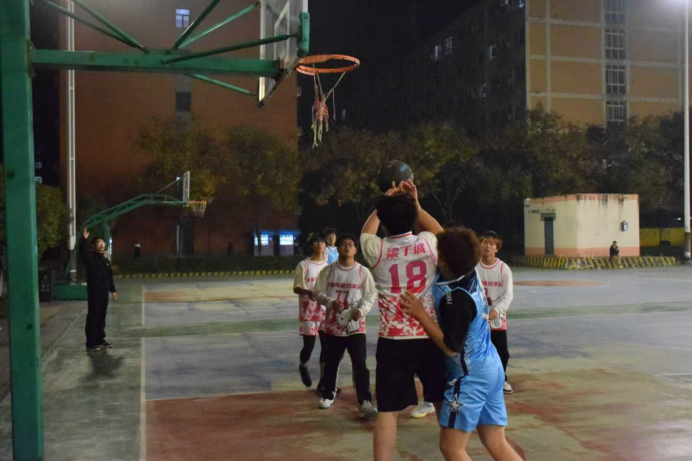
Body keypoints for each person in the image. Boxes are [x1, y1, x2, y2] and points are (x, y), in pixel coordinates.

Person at [400, 227, 522, 462]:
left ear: (443, 260)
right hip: (491, 369)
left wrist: (420, 313)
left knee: (452, 448)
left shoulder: (456, 299)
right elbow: (441, 232)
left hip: (470, 378)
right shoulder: (469, 270)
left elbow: (451, 347)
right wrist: (418, 209)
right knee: (496, 442)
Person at [360, 180, 447, 462]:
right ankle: (455, 453)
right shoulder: (428, 243)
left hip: (394, 341)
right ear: (413, 217)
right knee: (440, 402)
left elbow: (366, 232)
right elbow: (440, 231)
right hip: (430, 336)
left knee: (387, 412)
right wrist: (416, 204)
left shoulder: (377, 250)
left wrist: (383, 202)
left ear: (384, 222)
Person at [314, 233, 378, 419]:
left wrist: (362, 310)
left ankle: (364, 401)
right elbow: (317, 292)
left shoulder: (362, 272)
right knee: (331, 363)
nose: (347, 247)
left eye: (351, 244)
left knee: (360, 365)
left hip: (355, 328)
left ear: (356, 249)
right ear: (338, 248)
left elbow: (370, 295)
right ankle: (328, 394)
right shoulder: (328, 271)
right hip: (332, 327)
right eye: (343, 244)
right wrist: (330, 302)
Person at [477, 231, 515, 395]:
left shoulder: (503, 268)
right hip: (477, 317)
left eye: (492, 244)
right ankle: (480, 379)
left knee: (501, 352)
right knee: (477, 350)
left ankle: (501, 379)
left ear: (497, 248)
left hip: (497, 317)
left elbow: (508, 295)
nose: (488, 246)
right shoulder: (474, 267)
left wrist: (497, 310)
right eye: (485, 242)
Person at [293, 233, 329, 390]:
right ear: (311, 245)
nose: (319, 244)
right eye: (316, 242)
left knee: (327, 346)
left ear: (325, 245)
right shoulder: (303, 265)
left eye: (322, 242)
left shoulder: (328, 266)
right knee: (309, 346)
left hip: (325, 311)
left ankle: (324, 380)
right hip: (308, 311)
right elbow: (296, 288)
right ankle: (303, 365)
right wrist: (309, 292)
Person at [80, 228, 117, 353]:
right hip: (94, 293)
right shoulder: (91, 259)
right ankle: (90, 343)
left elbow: (109, 276)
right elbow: (83, 252)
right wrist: (84, 239)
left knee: (101, 317)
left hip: (104, 293)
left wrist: (113, 289)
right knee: (93, 317)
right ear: (93, 246)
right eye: (99, 243)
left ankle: (100, 339)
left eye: (103, 243)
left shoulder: (105, 261)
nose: (102, 245)